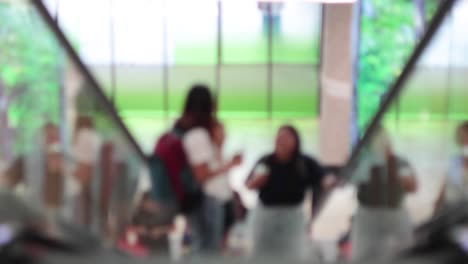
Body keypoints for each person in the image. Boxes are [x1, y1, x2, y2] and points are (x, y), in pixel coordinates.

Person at [245, 125, 335, 259]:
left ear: (295, 141)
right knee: (262, 254)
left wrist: (330, 181)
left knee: (292, 254)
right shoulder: (266, 161)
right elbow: (249, 184)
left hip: (292, 216)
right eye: (279, 136)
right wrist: (256, 182)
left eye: (286, 136)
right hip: (266, 214)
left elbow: (323, 178)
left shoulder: (305, 162)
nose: (282, 139)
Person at [179, 84, 242, 254]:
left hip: (214, 199)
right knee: (207, 249)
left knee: (211, 247)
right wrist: (229, 165)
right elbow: (201, 175)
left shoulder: (201, 134)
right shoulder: (198, 135)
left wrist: (220, 146)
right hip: (208, 200)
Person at [351, 126, 417, 261]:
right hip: (367, 214)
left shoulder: (400, 163)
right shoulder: (363, 163)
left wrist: (395, 173)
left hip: (395, 213)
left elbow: (412, 187)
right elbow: (348, 180)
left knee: (403, 252)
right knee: (365, 253)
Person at [73, 116, 101, 228]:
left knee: (83, 216)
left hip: (85, 181)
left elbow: (83, 162)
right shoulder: (96, 136)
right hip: (96, 178)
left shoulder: (83, 135)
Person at [435, 121, 468, 210]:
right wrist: (437, 204)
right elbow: (446, 183)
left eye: (466, 137)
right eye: (461, 138)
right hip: (450, 209)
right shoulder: (455, 160)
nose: (464, 142)